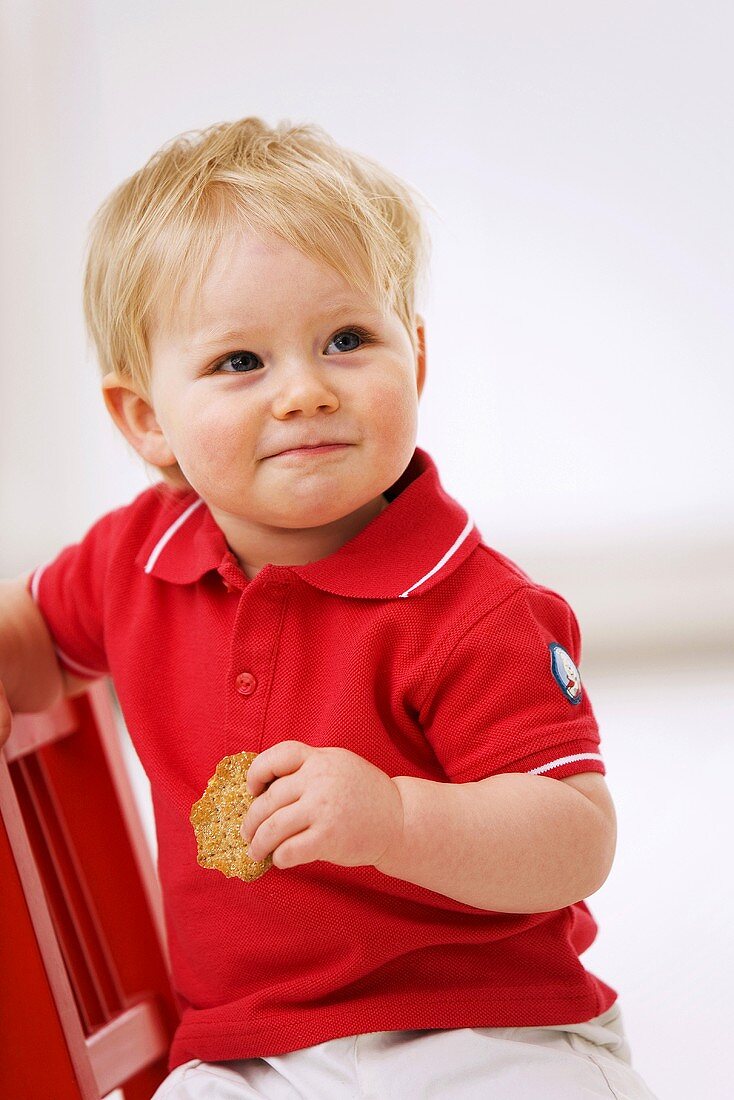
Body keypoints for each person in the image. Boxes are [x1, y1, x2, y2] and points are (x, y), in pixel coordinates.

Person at [0, 117, 658, 1098]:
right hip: (241, 1051)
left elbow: (573, 837)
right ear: (147, 419)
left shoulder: (474, 606)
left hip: (486, 1030)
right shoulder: (132, 560)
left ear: (417, 359)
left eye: (345, 339)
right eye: (239, 362)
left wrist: (393, 816)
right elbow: (31, 644)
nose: (304, 391)